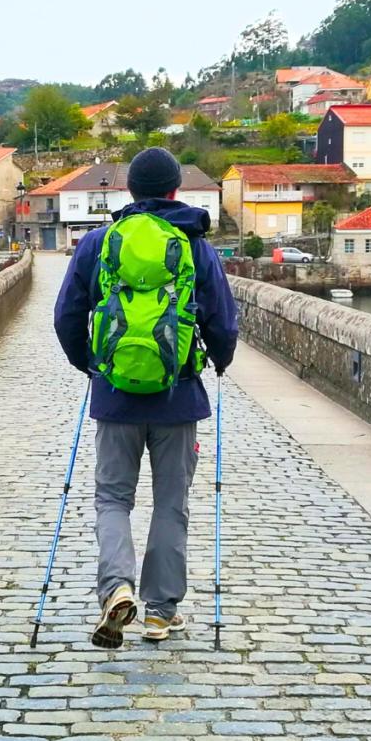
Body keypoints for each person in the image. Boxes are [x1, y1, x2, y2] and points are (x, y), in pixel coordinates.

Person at [54, 147, 238, 649]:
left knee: (112, 498)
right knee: (170, 504)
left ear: (129, 190)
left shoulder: (99, 242)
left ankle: (116, 586)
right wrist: (219, 360)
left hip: (115, 398)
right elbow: (222, 318)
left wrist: (91, 366)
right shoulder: (196, 244)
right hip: (178, 399)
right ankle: (160, 613)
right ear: (177, 190)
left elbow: (66, 316)